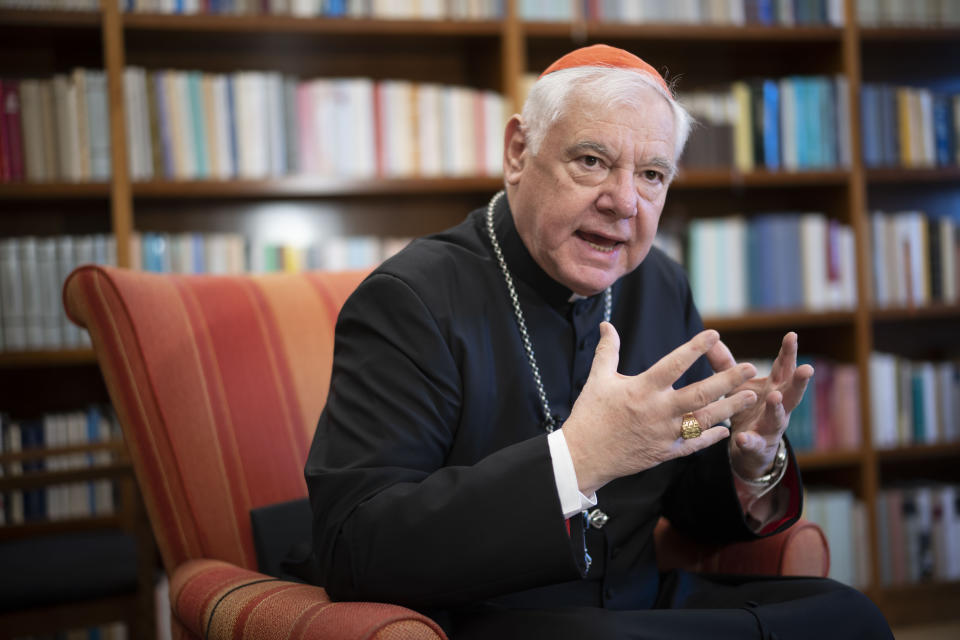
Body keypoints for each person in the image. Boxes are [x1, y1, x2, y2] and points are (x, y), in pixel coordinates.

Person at [291, 44, 893, 639]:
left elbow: (683, 495)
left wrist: (745, 461)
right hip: (496, 615)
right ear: (519, 152)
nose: (623, 202)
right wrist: (578, 460)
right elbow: (356, 546)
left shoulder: (658, 283)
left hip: (641, 603)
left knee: (850, 617)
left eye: (652, 175)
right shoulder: (412, 298)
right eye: (592, 161)